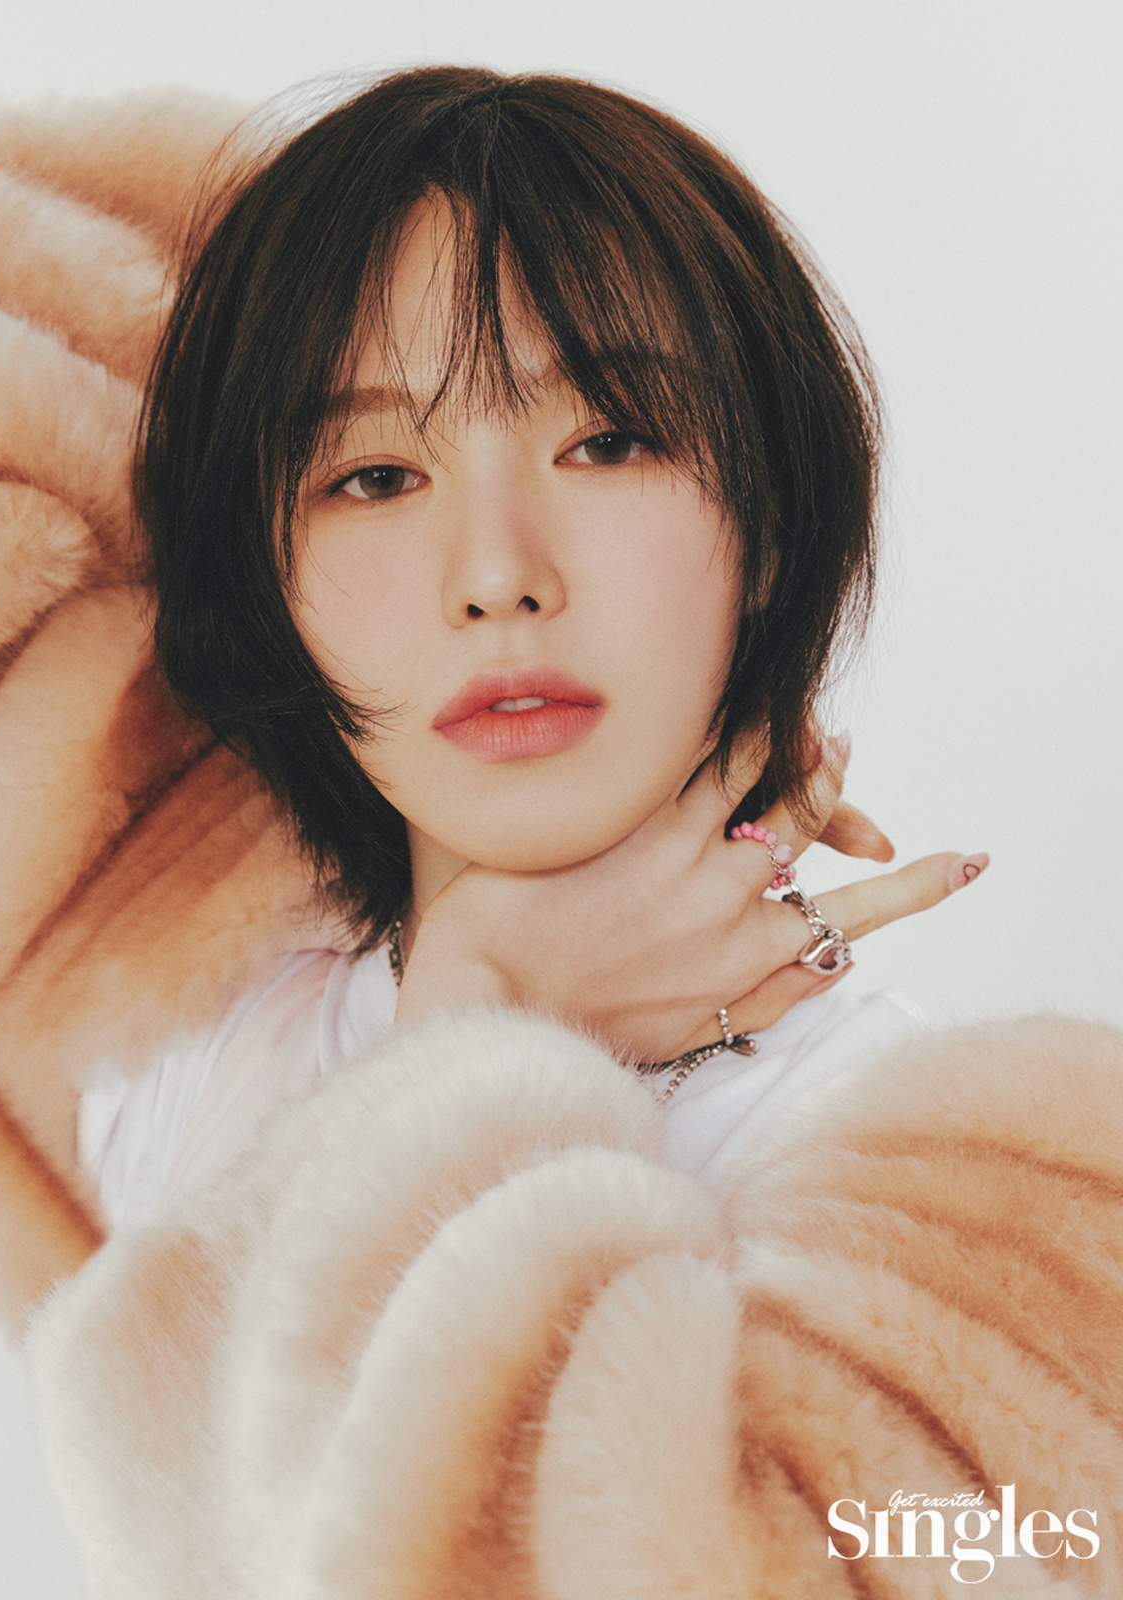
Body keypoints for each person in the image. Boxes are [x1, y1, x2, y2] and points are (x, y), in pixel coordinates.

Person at [78, 65, 987, 1233]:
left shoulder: (930, 1173)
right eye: (376, 477)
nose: (497, 577)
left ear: (768, 524)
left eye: (606, 444)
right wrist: (480, 1003)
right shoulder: (180, 1077)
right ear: (261, 576)